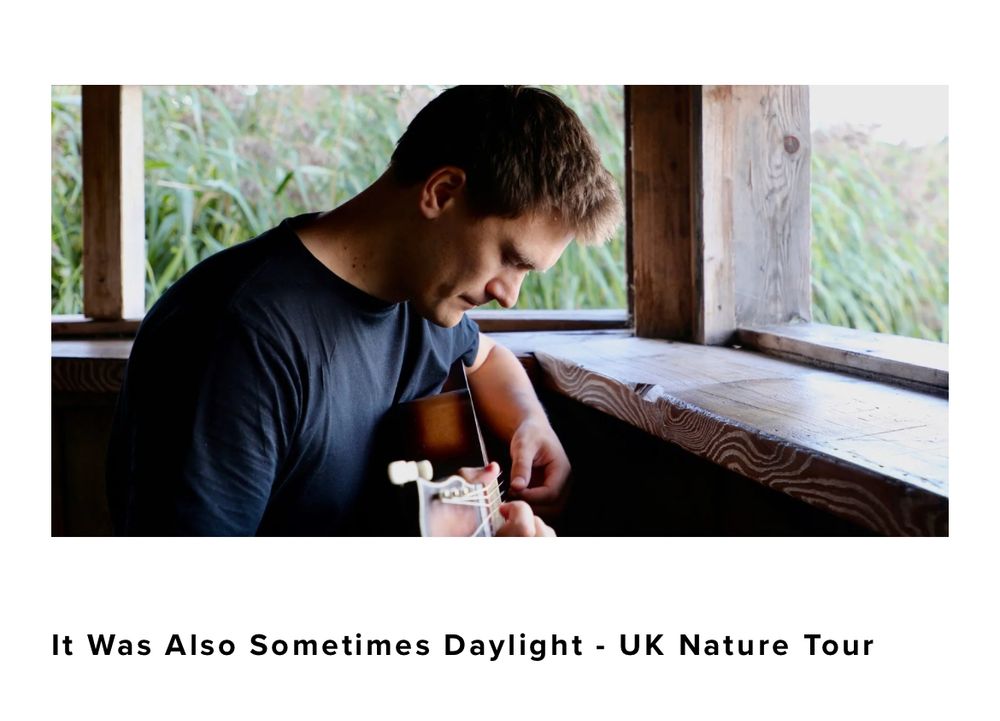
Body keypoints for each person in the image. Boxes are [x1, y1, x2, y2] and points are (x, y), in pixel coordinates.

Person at [106, 85, 623, 536]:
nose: (509, 294)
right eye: (511, 259)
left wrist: (532, 423)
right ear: (441, 193)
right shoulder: (237, 336)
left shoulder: (421, 299)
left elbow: (485, 359)